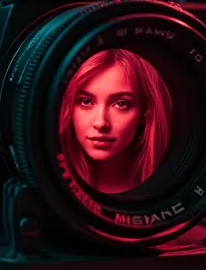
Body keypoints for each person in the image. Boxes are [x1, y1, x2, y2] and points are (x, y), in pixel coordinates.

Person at [58, 49, 172, 195]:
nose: (101, 123)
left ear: (145, 112)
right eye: (86, 101)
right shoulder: (51, 183)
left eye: (121, 104)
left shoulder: (169, 188)